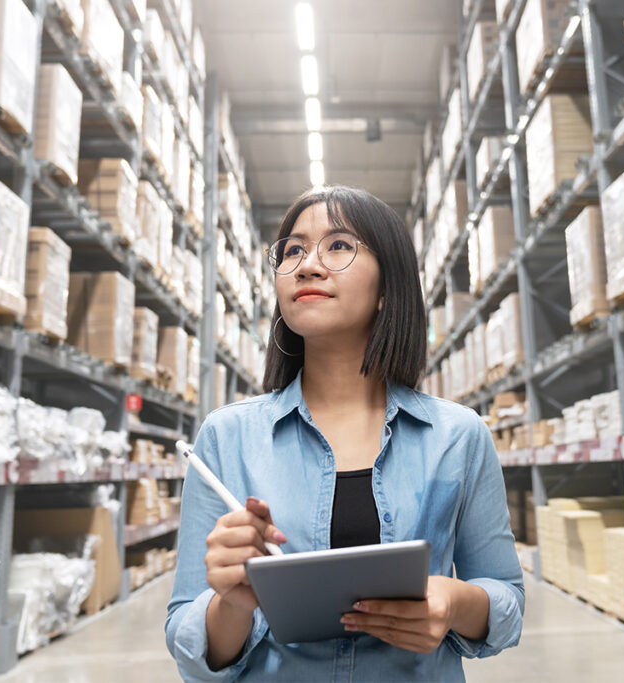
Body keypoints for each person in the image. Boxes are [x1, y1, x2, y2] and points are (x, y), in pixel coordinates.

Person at [165, 186, 524, 681]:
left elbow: (506, 598)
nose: (308, 265)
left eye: (338, 245)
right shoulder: (227, 437)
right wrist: (233, 603)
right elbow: (188, 637)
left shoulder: (458, 436)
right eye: (293, 250)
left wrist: (455, 602)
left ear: (386, 289)